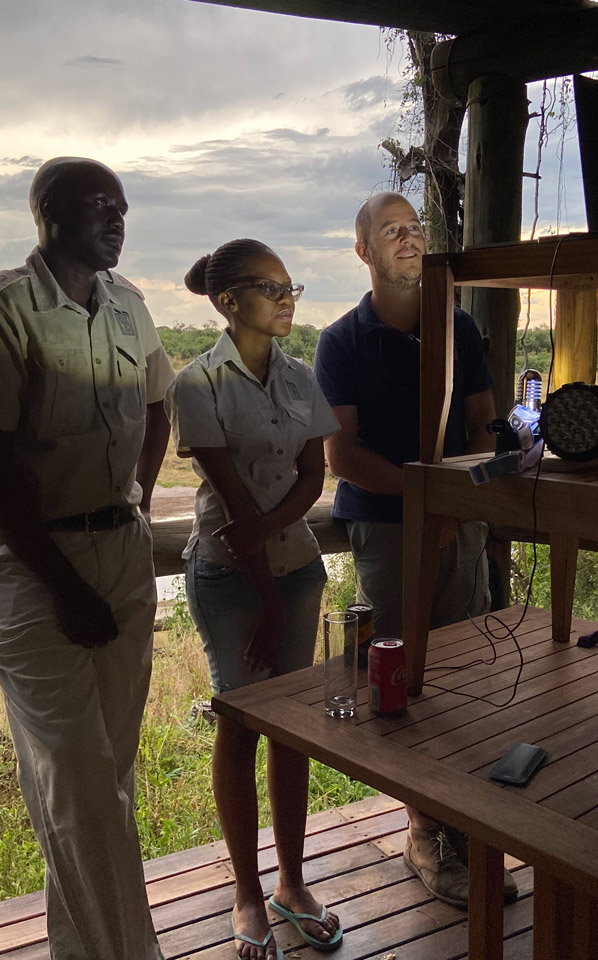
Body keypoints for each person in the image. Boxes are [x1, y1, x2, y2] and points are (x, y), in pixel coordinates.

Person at [0, 157, 172, 960]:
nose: (115, 220)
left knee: (104, 779)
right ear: (46, 215)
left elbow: (156, 409)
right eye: (96, 206)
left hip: (121, 549)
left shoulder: (129, 308)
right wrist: (65, 584)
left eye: (122, 207)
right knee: (79, 778)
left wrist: (134, 504)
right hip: (29, 564)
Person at [313, 191, 518, 907]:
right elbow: (345, 456)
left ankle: (466, 822)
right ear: (364, 251)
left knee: (463, 672)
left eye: (417, 229)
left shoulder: (458, 327)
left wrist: (466, 505)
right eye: (391, 231)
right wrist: (426, 498)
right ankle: (423, 831)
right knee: (403, 682)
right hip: (388, 528)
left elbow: (483, 427)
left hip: (457, 525)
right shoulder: (341, 342)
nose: (409, 240)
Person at [167, 239, 344, 960]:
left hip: (296, 568)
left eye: (289, 285)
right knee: (241, 722)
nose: (286, 298)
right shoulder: (197, 384)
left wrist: (277, 547)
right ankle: (247, 891)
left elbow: (313, 478)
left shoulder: (301, 377)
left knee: (293, 727)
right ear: (227, 300)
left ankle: (293, 883)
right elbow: (232, 506)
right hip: (229, 574)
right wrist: (265, 594)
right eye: (269, 288)